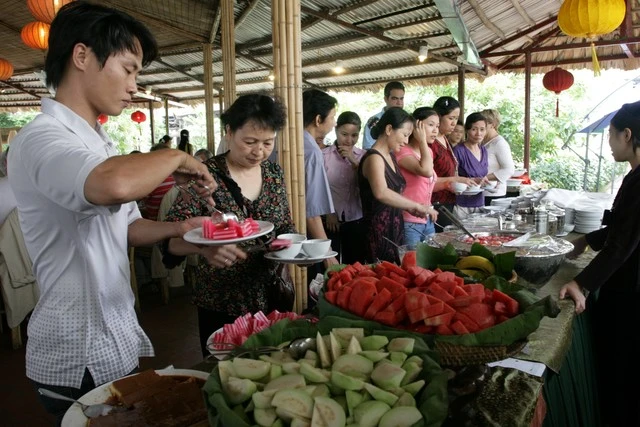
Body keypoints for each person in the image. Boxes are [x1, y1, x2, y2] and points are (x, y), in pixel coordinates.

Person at [6, 3, 216, 424]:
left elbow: (129, 229)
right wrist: (175, 155)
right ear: (81, 56)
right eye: (129, 68)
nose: (134, 85)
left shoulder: (97, 144)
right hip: (75, 350)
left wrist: (184, 228)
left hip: (112, 337)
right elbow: (111, 186)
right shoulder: (40, 138)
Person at [164, 94, 295, 356]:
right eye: (249, 142)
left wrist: (291, 249)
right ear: (229, 132)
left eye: (268, 143)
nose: (259, 151)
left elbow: (284, 226)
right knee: (225, 373)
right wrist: (203, 249)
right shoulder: (204, 175)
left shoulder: (273, 173)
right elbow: (170, 242)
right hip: (221, 299)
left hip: (270, 293)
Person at [559, 101, 640, 426]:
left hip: (632, 294)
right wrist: (588, 240)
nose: (609, 143)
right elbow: (623, 227)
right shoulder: (634, 176)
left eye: (610, 136)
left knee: (625, 369)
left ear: (627, 134)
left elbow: (623, 244)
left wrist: (581, 283)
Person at [358, 107, 428, 263]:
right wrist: (415, 205)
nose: (406, 141)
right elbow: (381, 192)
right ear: (389, 129)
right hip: (377, 233)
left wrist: (409, 207)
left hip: (394, 228)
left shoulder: (390, 156)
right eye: (404, 135)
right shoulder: (374, 158)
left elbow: (394, 194)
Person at [322, 111, 366, 264]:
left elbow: (369, 186)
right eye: (344, 134)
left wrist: (354, 161)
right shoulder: (323, 156)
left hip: (356, 219)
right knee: (330, 264)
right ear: (336, 130)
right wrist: (329, 212)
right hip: (330, 220)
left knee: (355, 265)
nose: (349, 140)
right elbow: (319, 188)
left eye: (354, 135)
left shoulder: (363, 157)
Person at [302, 89, 339, 269]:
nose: (333, 123)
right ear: (318, 120)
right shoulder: (311, 151)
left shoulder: (281, 141)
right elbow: (312, 212)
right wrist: (327, 254)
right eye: (332, 117)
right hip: (303, 238)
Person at [396, 108, 441, 247]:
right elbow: (426, 171)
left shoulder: (427, 151)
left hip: (428, 218)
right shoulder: (402, 151)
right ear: (417, 126)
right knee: (414, 264)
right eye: (431, 125)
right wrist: (422, 141)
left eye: (437, 126)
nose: (435, 130)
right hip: (410, 220)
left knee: (432, 261)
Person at [431, 96, 475, 230]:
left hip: (449, 202)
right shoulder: (430, 142)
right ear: (438, 116)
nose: (454, 123)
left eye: (456, 119)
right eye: (451, 118)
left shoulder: (445, 139)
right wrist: (455, 180)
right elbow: (426, 180)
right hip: (435, 204)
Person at [453, 112, 489, 219]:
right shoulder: (458, 151)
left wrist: (486, 182)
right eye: (474, 129)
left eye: (482, 129)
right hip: (462, 205)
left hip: (480, 203)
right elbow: (452, 177)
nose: (478, 133)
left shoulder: (483, 150)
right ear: (467, 130)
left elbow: (482, 175)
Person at [481, 109, 515, 203]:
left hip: (493, 194)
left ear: (493, 124)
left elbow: (509, 169)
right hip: (480, 192)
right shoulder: (482, 142)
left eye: (484, 124)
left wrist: (485, 178)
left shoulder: (499, 143)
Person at [362, 81, 405, 149]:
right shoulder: (374, 121)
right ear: (386, 99)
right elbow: (368, 149)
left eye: (401, 98)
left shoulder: (407, 120)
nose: (399, 103)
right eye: (394, 98)